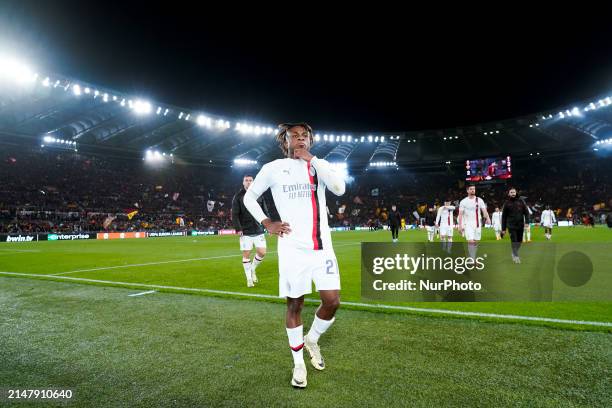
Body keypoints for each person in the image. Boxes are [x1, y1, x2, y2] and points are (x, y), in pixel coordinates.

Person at [243, 122, 345, 388]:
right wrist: (267, 222)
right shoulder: (273, 168)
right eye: (294, 136)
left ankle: (312, 339)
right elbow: (249, 198)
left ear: (310, 141)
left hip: (322, 247)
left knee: (332, 301)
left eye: (305, 137)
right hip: (292, 249)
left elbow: (339, 188)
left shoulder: (318, 165)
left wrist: (313, 159)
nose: (300, 140)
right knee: (295, 305)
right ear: (285, 142)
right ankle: (298, 364)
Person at [231, 174, 273, 287]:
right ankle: (249, 279)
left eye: (250, 180)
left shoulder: (258, 195)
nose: (248, 182)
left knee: (262, 252)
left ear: (253, 182)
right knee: (246, 254)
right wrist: (238, 228)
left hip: (258, 229)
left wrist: (268, 226)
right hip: (245, 231)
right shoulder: (238, 196)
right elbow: (234, 214)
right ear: (243, 182)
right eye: (246, 180)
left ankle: (252, 269)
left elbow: (265, 211)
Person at [458, 184, 491, 260]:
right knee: (471, 241)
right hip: (468, 224)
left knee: (475, 242)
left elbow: (484, 211)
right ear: (467, 190)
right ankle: (472, 259)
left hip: (477, 224)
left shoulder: (479, 200)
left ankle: (472, 256)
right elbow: (460, 214)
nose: (473, 190)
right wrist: (460, 226)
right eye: (471, 189)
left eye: (474, 189)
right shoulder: (463, 201)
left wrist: (488, 218)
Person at [501, 187, 530, 263]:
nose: (513, 194)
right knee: (514, 241)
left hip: (520, 225)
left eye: (514, 192)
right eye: (511, 192)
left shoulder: (521, 201)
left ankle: (514, 252)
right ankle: (516, 257)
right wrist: (503, 229)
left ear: (516, 193)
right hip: (511, 226)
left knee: (519, 241)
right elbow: (504, 217)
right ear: (509, 194)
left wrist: (527, 222)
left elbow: (526, 213)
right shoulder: (506, 203)